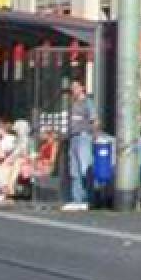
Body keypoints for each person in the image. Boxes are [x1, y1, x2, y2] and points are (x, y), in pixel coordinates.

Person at [63, 79, 97, 211]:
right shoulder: (73, 104)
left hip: (84, 137)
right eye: (72, 87)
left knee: (84, 168)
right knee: (74, 169)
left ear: (82, 88)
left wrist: (93, 136)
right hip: (73, 137)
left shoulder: (87, 103)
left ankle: (87, 198)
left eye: (76, 87)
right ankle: (76, 199)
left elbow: (94, 120)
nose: (73, 89)